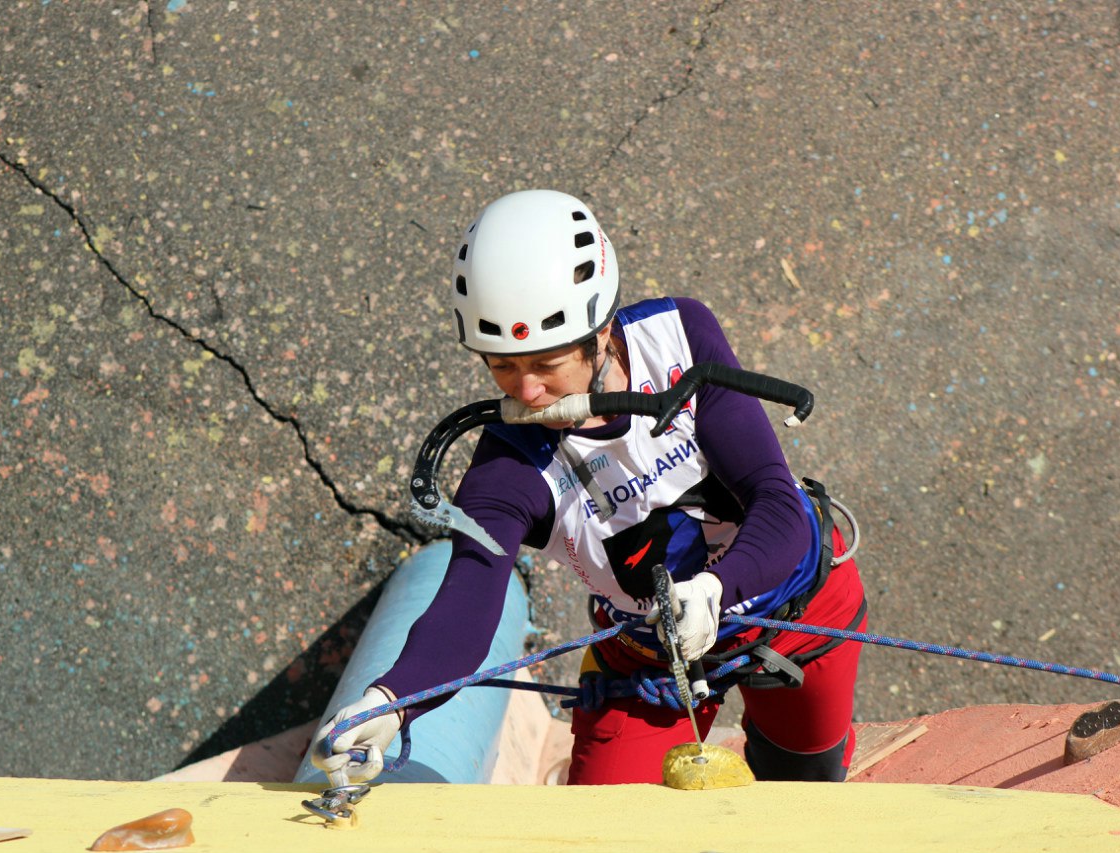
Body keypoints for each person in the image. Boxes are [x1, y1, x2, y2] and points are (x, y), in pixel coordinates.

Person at [315, 189, 868, 785]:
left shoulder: (679, 337)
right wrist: (389, 701)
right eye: (501, 365)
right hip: (649, 659)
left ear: (602, 332)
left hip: (798, 603)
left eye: (547, 363)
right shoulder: (507, 470)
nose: (525, 393)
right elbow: (466, 608)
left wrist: (715, 587)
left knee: (807, 778)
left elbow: (777, 502)